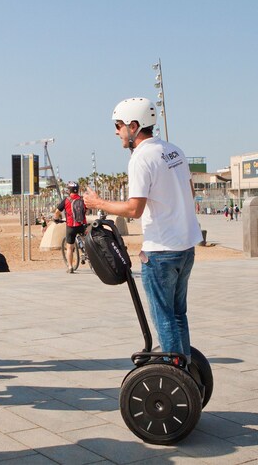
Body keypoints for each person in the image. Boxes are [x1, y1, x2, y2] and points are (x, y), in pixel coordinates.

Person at [83, 97, 200, 364]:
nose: (116, 132)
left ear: (134, 126)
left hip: (161, 250)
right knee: (178, 313)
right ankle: (186, 367)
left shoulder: (141, 158)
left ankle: (174, 373)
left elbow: (134, 209)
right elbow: (189, 191)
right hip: (185, 247)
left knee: (164, 316)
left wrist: (98, 203)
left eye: (118, 125)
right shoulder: (174, 151)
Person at [55, 181, 87, 273]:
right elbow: (86, 210)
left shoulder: (66, 200)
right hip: (82, 225)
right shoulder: (82, 199)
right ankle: (87, 253)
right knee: (85, 240)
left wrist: (56, 219)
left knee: (69, 247)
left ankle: (70, 267)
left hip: (71, 226)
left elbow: (57, 212)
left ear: (69, 190)